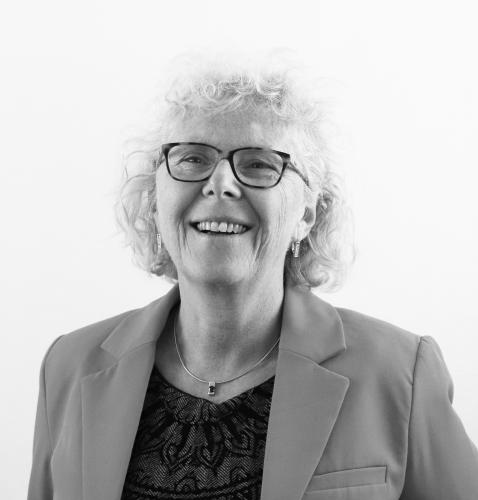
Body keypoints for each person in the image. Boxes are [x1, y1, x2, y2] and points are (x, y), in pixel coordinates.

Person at [27, 48, 478, 500]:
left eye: (259, 163)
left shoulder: (400, 372)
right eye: (192, 158)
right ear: (154, 199)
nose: (220, 183)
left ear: (308, 213)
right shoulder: (69, 367)